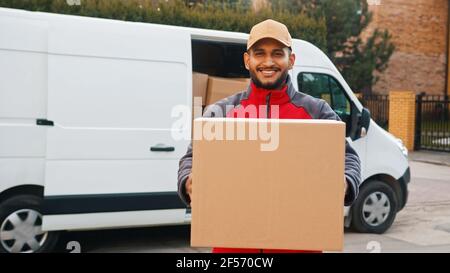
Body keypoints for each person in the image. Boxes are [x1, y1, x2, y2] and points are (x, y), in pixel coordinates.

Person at [178, 19, 361, 253]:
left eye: (277, 53)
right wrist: (188, 180)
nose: (268, 62)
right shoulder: (220, 113)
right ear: (247, 60)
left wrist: (346, 181)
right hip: (234, 249)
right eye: (259, 53)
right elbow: (191, 159)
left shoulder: (318, 112)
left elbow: (349, 158)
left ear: (291, 60)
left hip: (300, 245)